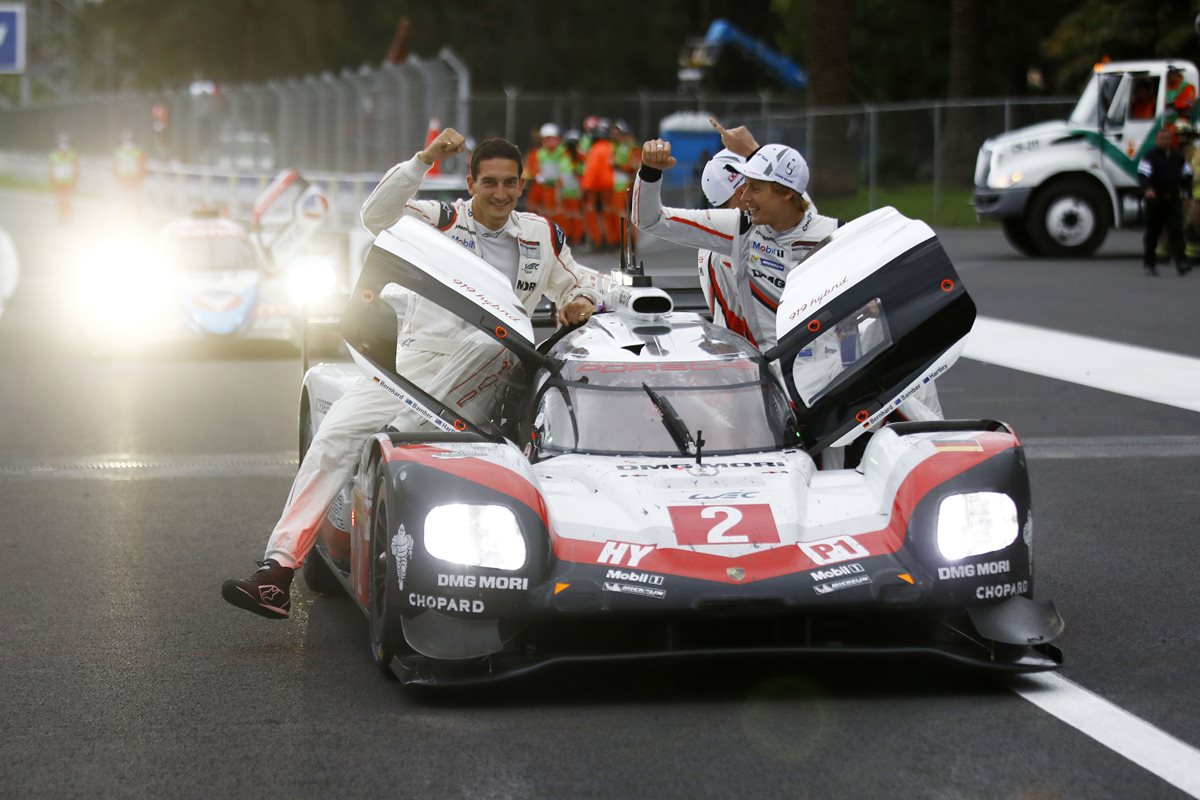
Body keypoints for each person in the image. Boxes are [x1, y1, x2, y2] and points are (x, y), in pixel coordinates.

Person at [222, 129, 603, 619]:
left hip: (490, 373)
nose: (501, 194)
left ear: (522, 186)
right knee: (334, 435)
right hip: (408, 366)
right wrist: (423, 160)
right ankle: (276, 571)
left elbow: (579, 282)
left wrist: (579, 301)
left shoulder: (541, 236)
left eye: (510, 184)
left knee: (477, 357)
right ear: (470, 183)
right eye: (489, 183)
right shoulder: (440, 220)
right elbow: (375, 217)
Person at [1138, 126, 1193, 276]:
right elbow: (1143, 175)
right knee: (1153, 233)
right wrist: (1147, 189)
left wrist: (1187, 194)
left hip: (1173, 199)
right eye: (1162, 138)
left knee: (1177, 230)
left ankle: (1181, 262)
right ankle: (1149, 264)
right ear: (1157, 140)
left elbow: (1186, 176)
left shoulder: (1177, 157)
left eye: (1167, 138)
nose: (1165, 141)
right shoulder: (1150, 157)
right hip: (1155, 200)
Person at [111, 130, 147, 219]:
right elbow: (115, 166)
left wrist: (141, 178)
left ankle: (138, 216)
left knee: (135, 198)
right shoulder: (118, 152)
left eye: (129, 140)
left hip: (134, 178)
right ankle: (124, 215)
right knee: (123, 198)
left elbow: (142, 165)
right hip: (123, 178)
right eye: (125, 140)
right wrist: (115, 177)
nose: (127, 142)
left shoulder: (138, 151)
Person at [48, 133, 79, 225]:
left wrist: (75, 179)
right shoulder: (54, 155)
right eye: (62, 143)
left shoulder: (72, 154)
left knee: (67, 200)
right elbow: (51, 168)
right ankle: (61, 217)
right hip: (58, 182)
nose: (63, 146)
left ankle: (68, 218)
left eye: (66, 143)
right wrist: (51, 179)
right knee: (59, 201)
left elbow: (76, 167)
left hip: (69, 182)